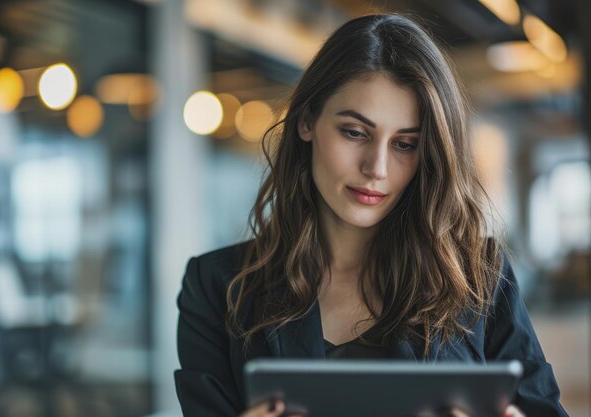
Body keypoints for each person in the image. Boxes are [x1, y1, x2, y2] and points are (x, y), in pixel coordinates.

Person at [174, 13, 569, 417]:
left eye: (404, 144)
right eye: (355, 132)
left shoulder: (479, 277)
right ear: (307, 120)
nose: (376, 168)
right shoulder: (218, 288)